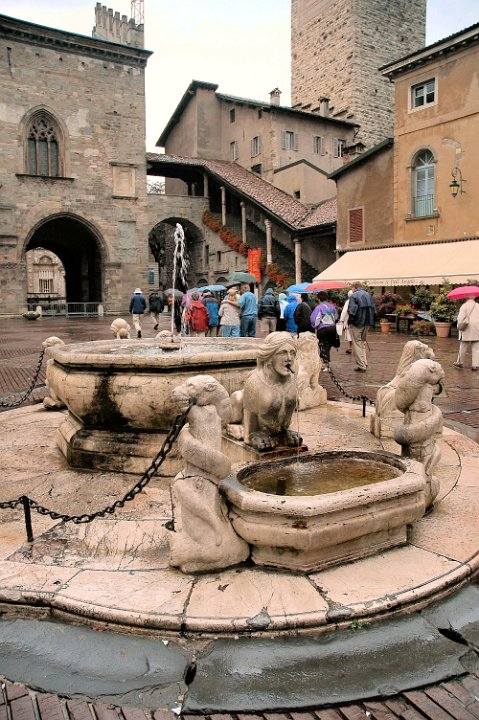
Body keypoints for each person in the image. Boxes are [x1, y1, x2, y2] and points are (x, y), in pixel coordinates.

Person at [347, 281, 376, 372]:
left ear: (354, 287)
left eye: (352, 288)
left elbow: (352, 311)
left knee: (357, 344)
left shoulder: (354, 296)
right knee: (362, 343)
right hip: (367, 322)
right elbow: (374, 310)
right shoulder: (368, 295)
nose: (351, 290)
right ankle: (364, 362)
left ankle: (361, 365)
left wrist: (350, 322)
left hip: (357, 323)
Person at [310, 292, 339, 364]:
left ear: (319, 299)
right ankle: (327, 361)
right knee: (328, 345)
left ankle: (325, 363)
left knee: (323, 345)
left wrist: (315, 326)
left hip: (323, 329)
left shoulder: (319, 307)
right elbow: (336, 317)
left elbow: (314, 320)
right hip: (332, 328)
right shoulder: (332, 306)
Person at [454, 295, 479, 370]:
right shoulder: (478, 306)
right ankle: (475, 365)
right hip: (476, 328)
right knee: (476, 347)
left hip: (466, 327)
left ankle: (460, 362)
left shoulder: (464, 306)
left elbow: (460, 318)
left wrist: (459, 326)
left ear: (466, 297)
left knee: (463, 346)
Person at [338, 290, 353, 354]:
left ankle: (350, 347)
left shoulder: (348, 302)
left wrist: (341, 320)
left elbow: (344, 312)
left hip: (349, 320)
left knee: (350, 334)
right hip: (359, 320)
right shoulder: (359, 300)